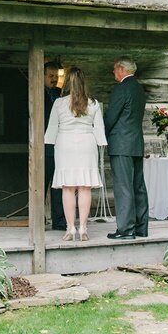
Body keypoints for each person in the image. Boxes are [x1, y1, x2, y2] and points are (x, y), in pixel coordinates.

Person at [44, 65, 107, 241]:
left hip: (65, 144)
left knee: (68, 187)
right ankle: (83, 228)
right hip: (87, 144)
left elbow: (52, 129)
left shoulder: (59, 102)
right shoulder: (93, 103)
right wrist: (101, 143)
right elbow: (99, 129)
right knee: (85, 187)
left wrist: (49, 143)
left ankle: (70, 228)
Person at [104, 56, 148, 240]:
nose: (113, 72)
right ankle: (141, 227)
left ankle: (126, 229)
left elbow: (111, 117)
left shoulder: (121, 88)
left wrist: (101, 135)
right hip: (136, 143)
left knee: (123, 187)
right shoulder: (139, 89)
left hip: (121, 145)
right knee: (138, 186)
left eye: (115, 69)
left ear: (122, 69)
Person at [44, 62, 66, 230]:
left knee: (59, 185)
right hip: (42, 147)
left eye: (56, 76)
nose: (54, 79)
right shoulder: (35, 94)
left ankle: (59, 221)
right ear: (43, 76)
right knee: (41, 184)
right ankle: (37, 220)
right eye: (50, 76)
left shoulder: (61, 95)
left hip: (60, 146)